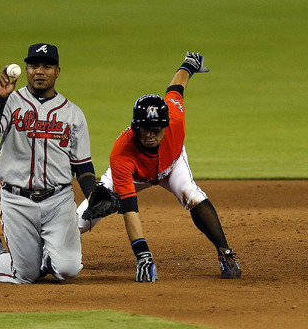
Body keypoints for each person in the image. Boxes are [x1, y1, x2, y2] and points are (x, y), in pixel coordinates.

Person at [76, 52, 241, 282]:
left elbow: (176, 88)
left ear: (166, 125)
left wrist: (188, 65)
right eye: (146, 128)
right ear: (135, 127)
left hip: (171, 164)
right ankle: (48, 248)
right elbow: (130, 210)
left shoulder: (175, 118)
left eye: (157, 128)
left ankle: (225, 253)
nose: (152, 134)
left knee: (191, 194)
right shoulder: (122, 153)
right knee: (83, 216)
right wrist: (142, 255)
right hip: (133, 173)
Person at [0, 43, 100, 284]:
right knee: (26, 274)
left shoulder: (73, 114)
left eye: (47, 66)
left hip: (58, 201)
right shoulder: (10, 102)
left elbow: (83, 166)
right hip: (17, 201)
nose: (40, 71)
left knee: (68, 270)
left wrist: (93, 194)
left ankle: (49, 255)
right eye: (34, 66)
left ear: (57, 71)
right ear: (26, 70)